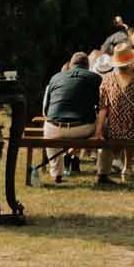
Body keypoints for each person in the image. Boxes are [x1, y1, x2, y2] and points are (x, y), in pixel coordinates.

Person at [95, 44, 134, 184]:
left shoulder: (107, 79)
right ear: (132, 62)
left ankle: (127, 168)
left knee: (132, 125)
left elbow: (103, 108)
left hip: (115, 130)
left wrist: (98, 131)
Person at [41, 51, 101, 182]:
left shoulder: (55, 78)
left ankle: (56, 172)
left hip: (54, 127)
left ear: (71, 64)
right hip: (81, 128)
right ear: (88, 65)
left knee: (48, 128)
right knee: (102, 124)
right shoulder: (95, 78)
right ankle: (100, 168)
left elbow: (46, 111)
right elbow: (101, 107)